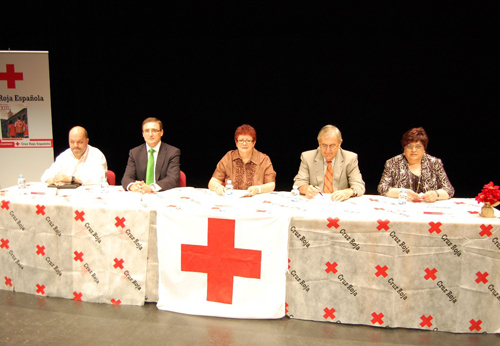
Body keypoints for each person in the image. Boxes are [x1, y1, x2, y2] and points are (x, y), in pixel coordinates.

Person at [377, 127, 454, 202]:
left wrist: (436, 194)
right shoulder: (392, 163)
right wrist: (402, 192)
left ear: (424, 149)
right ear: (404, 148)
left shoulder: (435, 163)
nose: (414, 150)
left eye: (418, 147)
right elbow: (382, 188)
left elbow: (449, 190)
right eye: (409, 146)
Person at [293, 124, 365, 201]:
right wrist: (306, 189)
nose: (328, 151)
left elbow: (359, 186)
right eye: (324, 145)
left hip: (339, 204)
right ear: (319, 142)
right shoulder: (307, 157)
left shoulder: (350, 158)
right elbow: (299, 183)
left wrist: (348, 192)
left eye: (332, 145)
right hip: (316, 203)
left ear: (340, 143)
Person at [208, 124, 276, 196]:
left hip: (256, 200)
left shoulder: (264, 159)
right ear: (236, 143)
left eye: (248, 141)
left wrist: (258, 189)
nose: (244, 143)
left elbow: (271, 185)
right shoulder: (229, 157)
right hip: (232, 200)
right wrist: (217, 187)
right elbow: (212, 182)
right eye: (241, 140)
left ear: (254, 143)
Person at [122, 117, 180, 193]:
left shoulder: (173, 152)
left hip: (163, 194)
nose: (150, 134)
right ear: (143, 134)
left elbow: (173, 178)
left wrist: (151, 187)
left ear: (161, 132)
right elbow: (127, 177)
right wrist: (133, 186)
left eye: (154, 131)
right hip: (141, 194)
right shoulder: (134, 152)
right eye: (146, 131)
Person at [41, 126, 107, 185]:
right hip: (68, 195)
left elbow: (100, 178)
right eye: (72, 142)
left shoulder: (97, 155)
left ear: (87, 141)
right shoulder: (64, 156)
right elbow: (45, 176)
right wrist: (53, 180)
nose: (75, 145)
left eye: (80, 142)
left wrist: (72, 179)